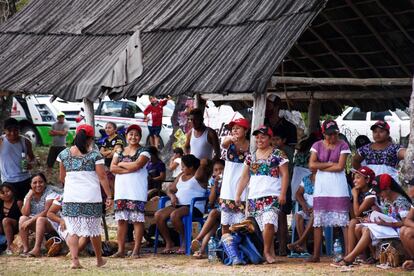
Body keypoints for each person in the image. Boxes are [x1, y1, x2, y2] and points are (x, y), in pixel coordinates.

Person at [57, 124, 112, 269]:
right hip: (91, 198)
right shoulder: (95, 155)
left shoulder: (63, 154)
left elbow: (62, 177)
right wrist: (109, 196)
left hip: (71, 198)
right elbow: (102, 177)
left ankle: (75, 261)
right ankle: (99, 260)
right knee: (94, 230)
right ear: (90, 139)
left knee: (73, 230)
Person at [235, 125, 289, 264]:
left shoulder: (278, 154)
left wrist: (283, 193)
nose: (259, 139)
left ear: (270, 139)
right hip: (254, 197)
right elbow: (244, 177)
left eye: (263, 136)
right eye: (257, 137)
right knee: (262, 227)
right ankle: (269, 252)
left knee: (269, 223)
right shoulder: (250, 156)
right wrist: (238, 195)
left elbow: (285, 175)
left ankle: (265, 252)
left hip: (272, 196)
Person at [337, 174, 412, 266]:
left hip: (398, 230)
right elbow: (388, 215)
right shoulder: (386, 199)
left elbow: (405, 222)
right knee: (361, 227)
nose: (378, 194)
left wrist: (386, 223)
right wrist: (374, 218)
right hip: (389, 227)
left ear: (388, 189)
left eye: (380, 192)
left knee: (368, 231)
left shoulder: (401, 202)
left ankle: (350, 258)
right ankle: (372, 256)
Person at [307, 120, 351, 263]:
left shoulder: (343, 145)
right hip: (322, 185)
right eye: (329, 134)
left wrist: (321, 166)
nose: (332, 137)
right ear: (324, 134)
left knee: (343, 221)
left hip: (338, 185)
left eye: (335, 133)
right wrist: (329, 164)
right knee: (319, 220)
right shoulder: (317, 145)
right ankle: (316, 255)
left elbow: (340, 167)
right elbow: (311, 164)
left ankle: (349, 253)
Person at [110, 124, 151, 258]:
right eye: (131, 134)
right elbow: (112, 168)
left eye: (136, 134)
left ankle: (136, 251)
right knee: (121, 221)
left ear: (140, 137)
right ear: (126, 136)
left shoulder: (144, 152)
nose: (133, 137)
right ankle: (121, 250)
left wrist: (121, 164)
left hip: (136, 191)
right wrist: (129, 168)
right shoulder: (119, 151)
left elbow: (138, 165)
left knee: (137, 221)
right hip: (121, 191)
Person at [154, 154, 208, 254]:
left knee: (175, 215)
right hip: (179, 205)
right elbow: (170, 190)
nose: (181, 168)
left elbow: (203, 162)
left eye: (183, 166)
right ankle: (169, 242)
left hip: (194, 206)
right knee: (158, 215)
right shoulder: (180, 176)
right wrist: (172, 196)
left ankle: (184, 241)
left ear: (191, 167)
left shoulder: (199, 175)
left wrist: (200, 162)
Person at [219, 118, 249, 236]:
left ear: (245, 130)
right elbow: (223, 143)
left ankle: (240, 249)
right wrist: (231, 138)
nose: (234, 130)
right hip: (228, 186)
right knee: (225, 223)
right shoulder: (229, 141)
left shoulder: (251, 145)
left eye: (238, 128)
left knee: (241, 223)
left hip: (243, 184)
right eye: (233, 128)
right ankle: (227, 250)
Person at [191, 159, 224, 258]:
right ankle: (201, 251)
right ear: (213, 172)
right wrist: (215, 184)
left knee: (213, 213)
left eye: (221, 169)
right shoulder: (212, 181)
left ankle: (198, 238)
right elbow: (211, 200)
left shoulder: (229, 180)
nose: (219, 172)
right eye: (216, 170)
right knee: (212, 227)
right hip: (215, 211)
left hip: (227, 210)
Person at [19, 173, 58, 257]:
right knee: (22, 219)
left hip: (51, 222)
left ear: (45, 183)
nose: (38, 185)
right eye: (35, 183)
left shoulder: (50, 192)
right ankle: (26, 249)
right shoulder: (29, 194)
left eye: (41, 182)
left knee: (40, 219)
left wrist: (31, 220)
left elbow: (47, 211)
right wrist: (29, 197)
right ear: (30, 184)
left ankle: (37, 249)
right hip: (37, 223)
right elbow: (25, 213)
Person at [346, 166, 378, 257]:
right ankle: (350, 254)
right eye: (354, 178)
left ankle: (356, 256)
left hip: (376, 222)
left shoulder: (372, 194)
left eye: (358, 178)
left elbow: (357, 213)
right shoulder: (359, 192)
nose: (354, 181)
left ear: (367, 180)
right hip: (365, 220)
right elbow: (355, 216)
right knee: (352, 222)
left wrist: (355, 196)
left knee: (355, 224)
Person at [0, 118, 35, 201]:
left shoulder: (26, 142)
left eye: (16, 130)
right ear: (4, 130)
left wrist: (31, 164)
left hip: (25, 179)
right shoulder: (1, 141)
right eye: (9, 130)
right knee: (11, 207)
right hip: (8, 181)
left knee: (25, 204)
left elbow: (32, 158)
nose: (13, 133)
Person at [272, 129, 294, 255]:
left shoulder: (286, 152)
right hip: (275, 186)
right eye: (273, 139)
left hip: (284, 186)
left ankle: (282, 247)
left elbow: (285, 171)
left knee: (282, 216)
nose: (274, 142)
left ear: (284, 140)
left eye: (277, 139)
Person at [287, 169, 316, 255]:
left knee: (315, 214)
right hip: (307, 209)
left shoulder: (324, 179)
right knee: (298, 215)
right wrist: (303, 204)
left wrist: (316, 207)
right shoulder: (306, 179)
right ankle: (303, 247)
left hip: (320, 210)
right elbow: (298, 194)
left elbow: (327, 197)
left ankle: (299, 242)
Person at [99, 122, 124, 195]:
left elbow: (114, 153)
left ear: (115, 129)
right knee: (110, 183)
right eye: (106, 128)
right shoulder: (106, 140)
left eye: (109, 128)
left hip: (116, 165)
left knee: (117, 183)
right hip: (106, 165)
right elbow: (100, 153)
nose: (107, 129)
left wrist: (106, 152)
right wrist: (110, 151)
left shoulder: (118, 139)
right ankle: (112, 200)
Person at [0, 184, 22, 255]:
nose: (5, 194)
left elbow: (24, 215)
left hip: (16, 227)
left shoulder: (18, 202)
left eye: (7, 191)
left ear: (12, 191)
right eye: (2, 193)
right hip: (3, 231)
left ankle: (9, 247)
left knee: (6, 220)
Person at [46, 112, 68, 182]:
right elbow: (50, 133)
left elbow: (64, 133)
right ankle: (49, 178)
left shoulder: (66, 124)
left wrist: (55, 132)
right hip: (54, 145)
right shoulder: (54, 124)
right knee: (50, 162)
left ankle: (63, 177)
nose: (61, 118)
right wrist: (59, 132)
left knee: (63, 162)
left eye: (62, 117)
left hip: (62, 146)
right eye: (59, 117)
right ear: (57, 118)